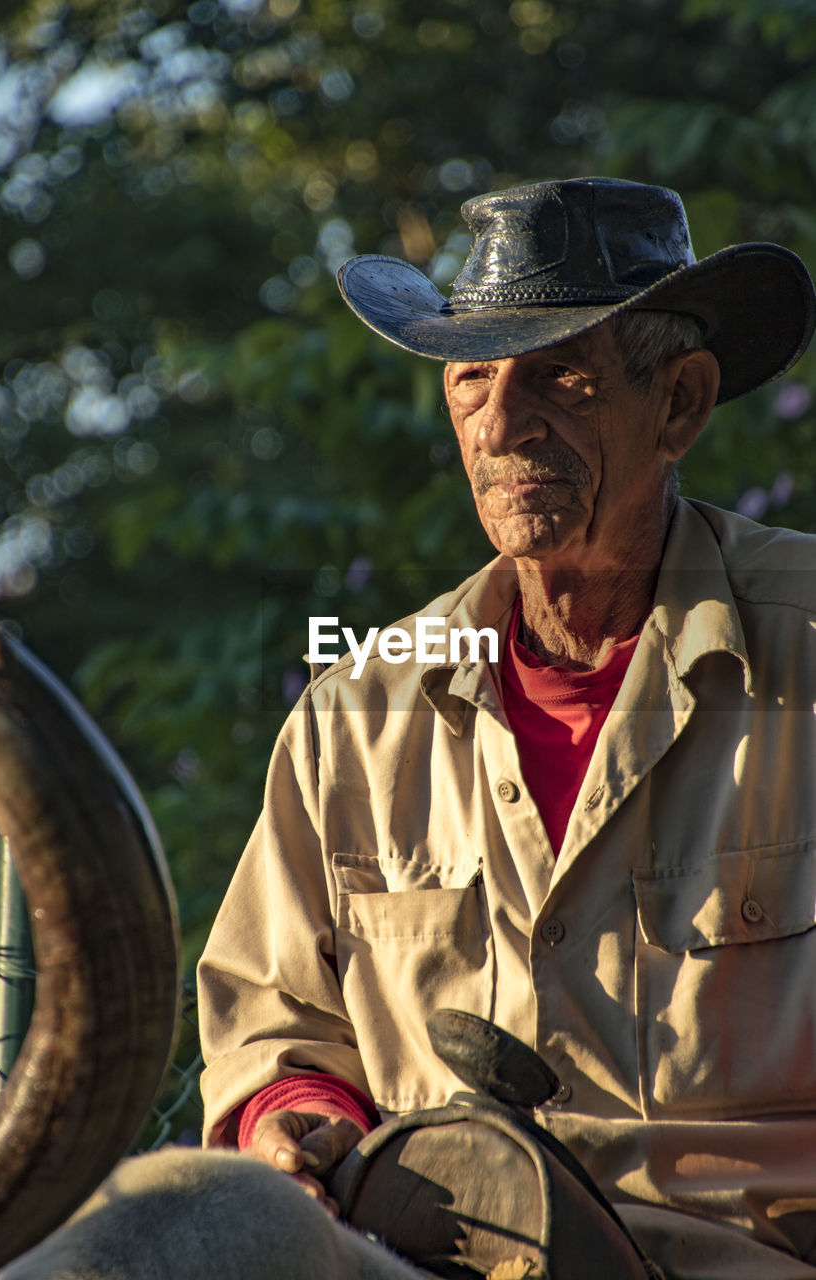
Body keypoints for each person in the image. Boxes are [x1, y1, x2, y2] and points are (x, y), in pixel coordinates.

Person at [197, 176, 816, 1279]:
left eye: (557, 379)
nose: (496, 421)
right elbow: (273, 1021)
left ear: (678, 404)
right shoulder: (358, 714)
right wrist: (289, 1114)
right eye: (471, 378)